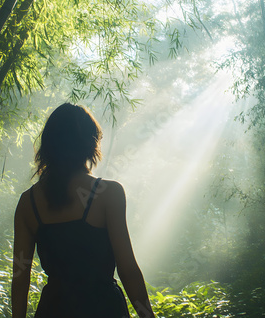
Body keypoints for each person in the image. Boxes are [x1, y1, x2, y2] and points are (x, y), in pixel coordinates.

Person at [11, 103, 156, 318]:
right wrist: (148, 316)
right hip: (104, 309)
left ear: (49, 145)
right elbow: (127, 269)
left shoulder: (28, 202)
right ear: (91, 144)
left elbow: (20, 275)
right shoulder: (108, 193)